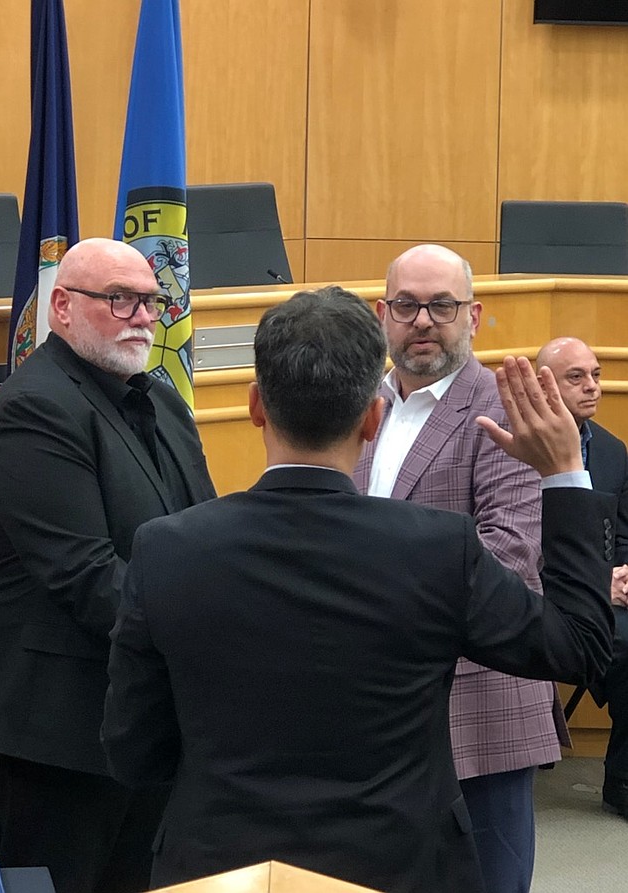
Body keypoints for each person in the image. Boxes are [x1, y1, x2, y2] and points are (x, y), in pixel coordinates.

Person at [103, 285, 614, 893]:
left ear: (255, 405)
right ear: (373, 418)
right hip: (399, 866)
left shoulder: (166, 548)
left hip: (219, 867)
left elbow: (134, 750)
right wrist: (564, 477)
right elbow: (578, 647)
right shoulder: (438, 550)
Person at [0, 238, 216, 893]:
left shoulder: (164, 402)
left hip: (149, 724)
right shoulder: (33, 410)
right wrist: (218, 637)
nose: (141, 317)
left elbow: (204, 536)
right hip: (58, 742)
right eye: (120, 299)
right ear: (64, 307)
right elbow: (88, 577)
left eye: (151, 302)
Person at [353, 244, 564, 893]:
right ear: (382, 314)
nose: (423, 321)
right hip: (379, 711)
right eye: (408, 305)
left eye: (441, 305)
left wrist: (366, 593)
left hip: (481, 706)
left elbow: (510, 555)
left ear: (473, 316)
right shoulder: (363, 407)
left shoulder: (502, 408)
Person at [537, 337, 628, 817]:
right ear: (542, 383)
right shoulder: (508, 444)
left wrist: (621, 573)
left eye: (595, 374)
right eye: (577, 377)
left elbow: (625, 535)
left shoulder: (613, 453)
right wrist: (595, 580)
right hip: (524, 595)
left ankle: (624, 784)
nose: (593, 386)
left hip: (598, 601)